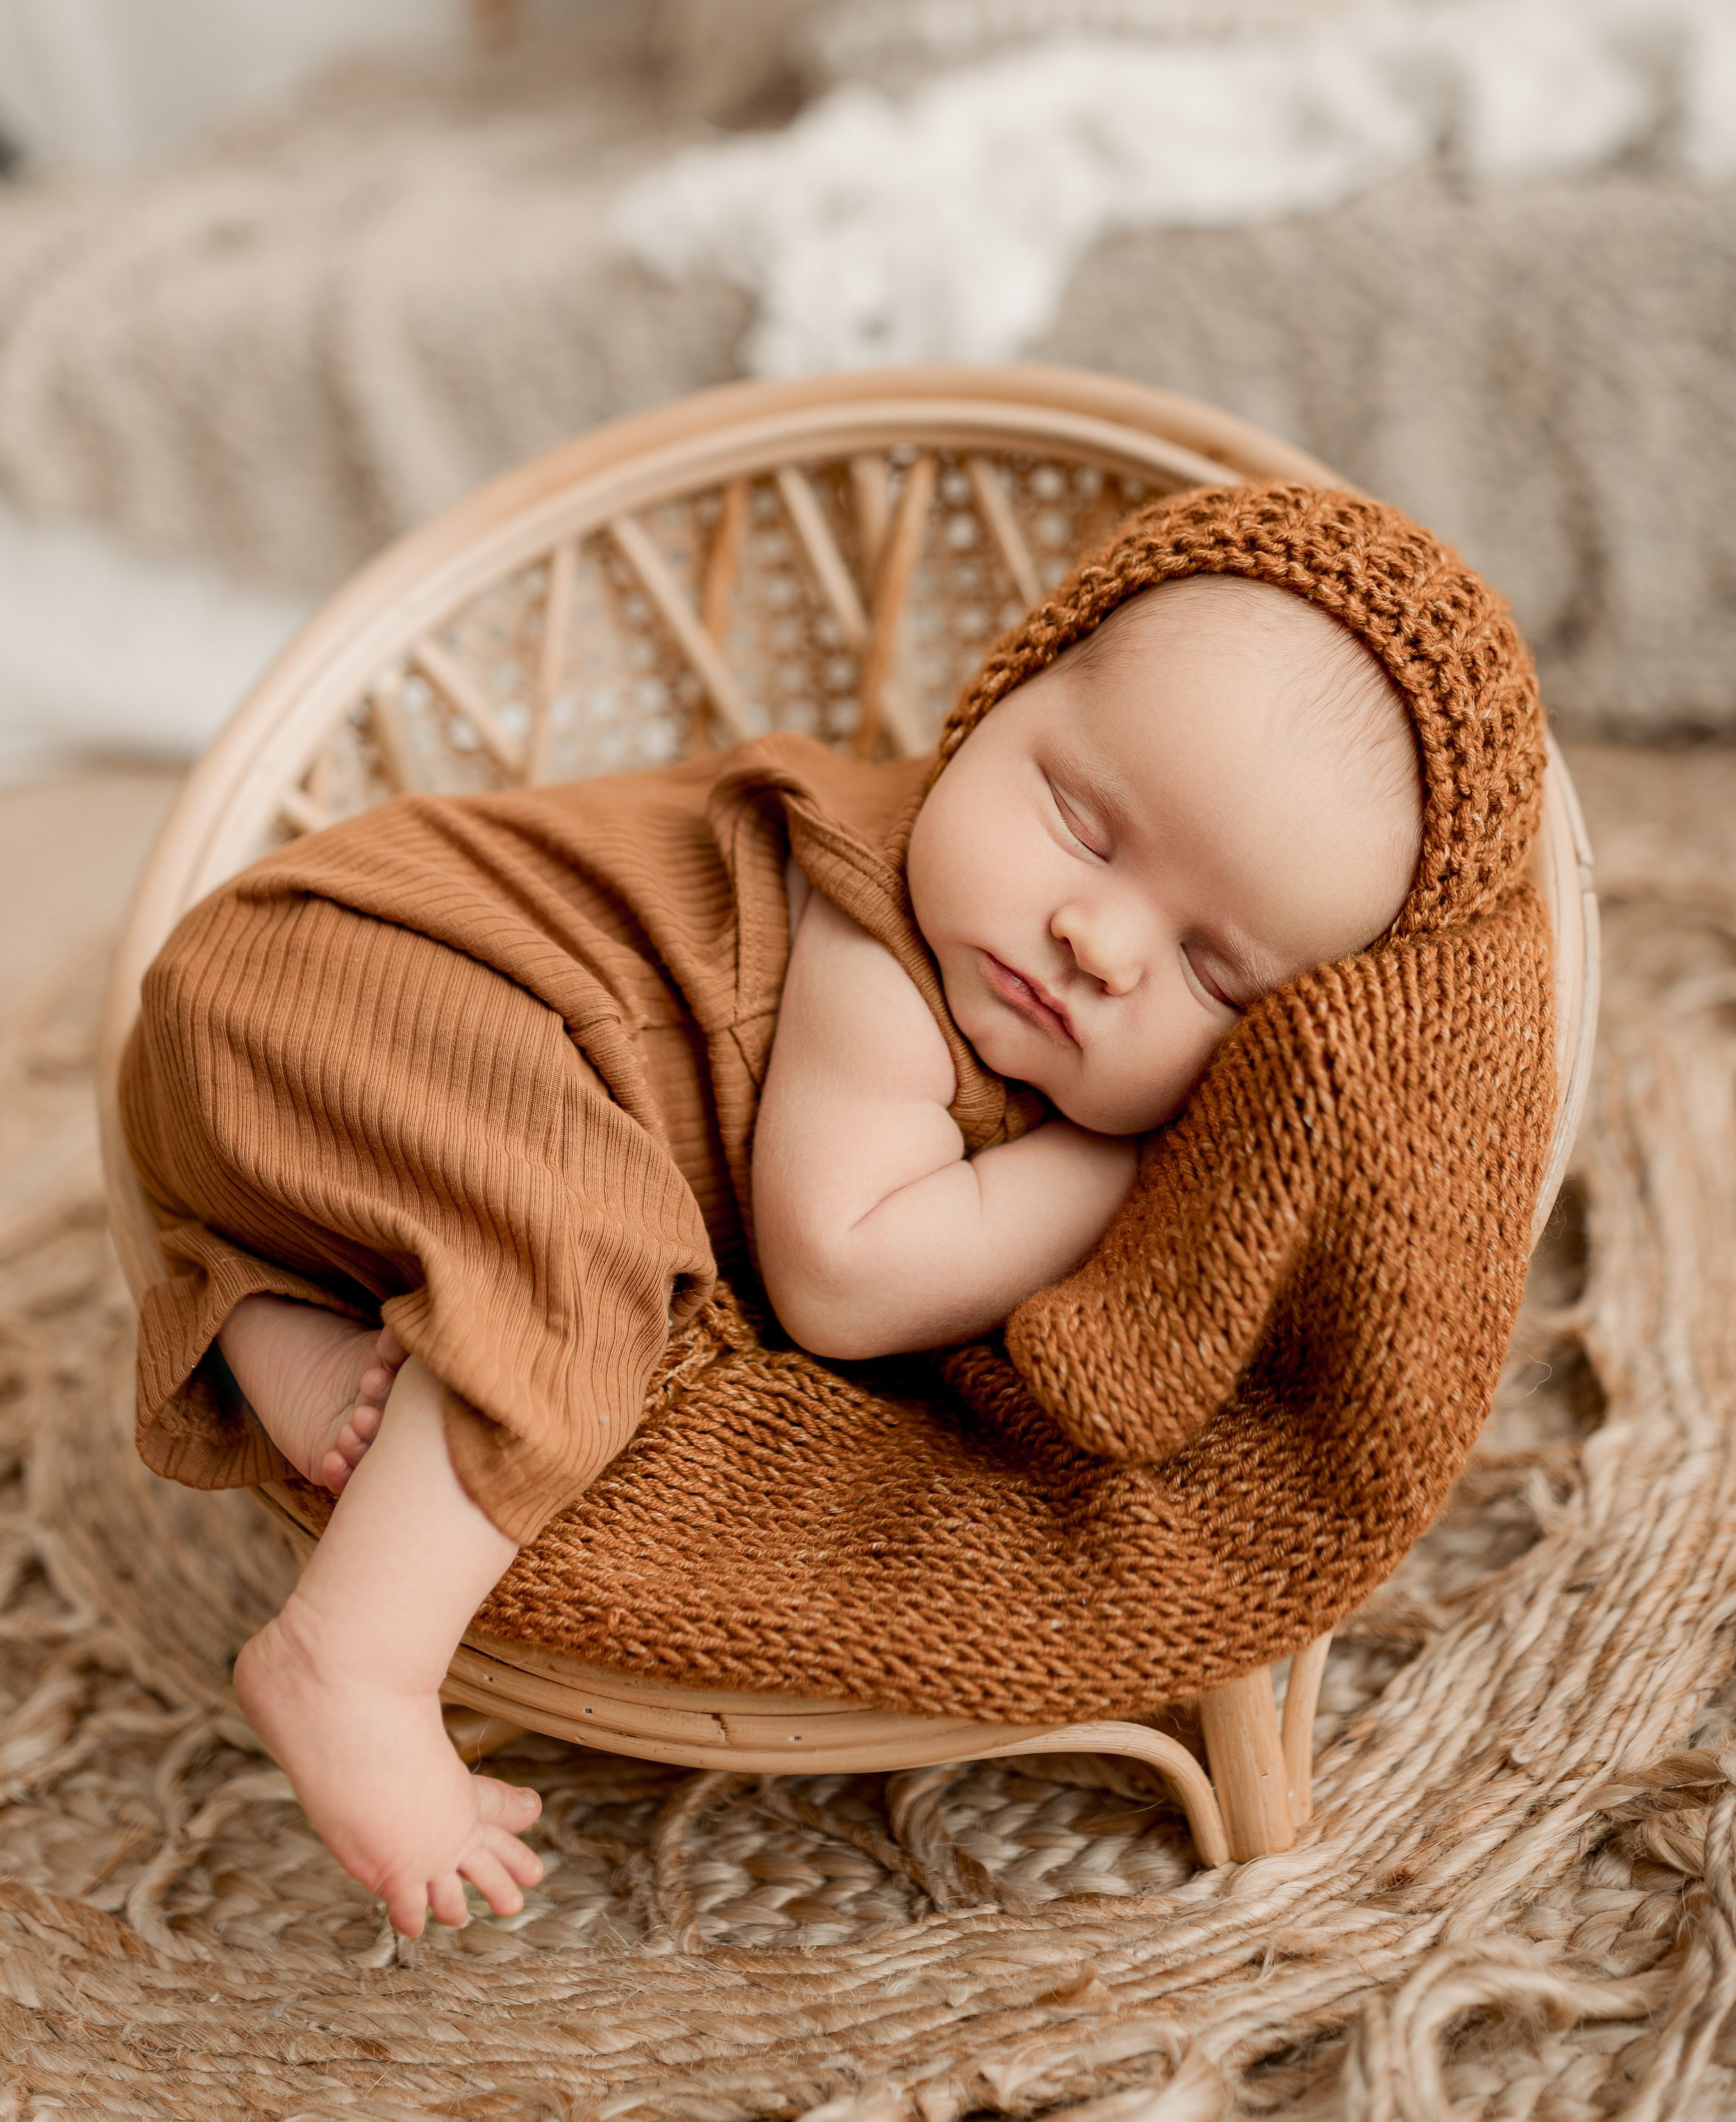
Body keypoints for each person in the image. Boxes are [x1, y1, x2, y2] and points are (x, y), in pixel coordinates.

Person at [120, 501, 1450, 1937]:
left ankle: (274, 1320)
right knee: (588, 1254)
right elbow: (841, 1272)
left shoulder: (1008, 939)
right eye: (1080, 824)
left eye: (1212, 973)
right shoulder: (874, 918)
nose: (1100, 939)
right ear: (989, 703)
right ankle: (353, 1659)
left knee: (519, 1241)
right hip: (368, 981)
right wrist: (1123, 1170)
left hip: (268, 1116)